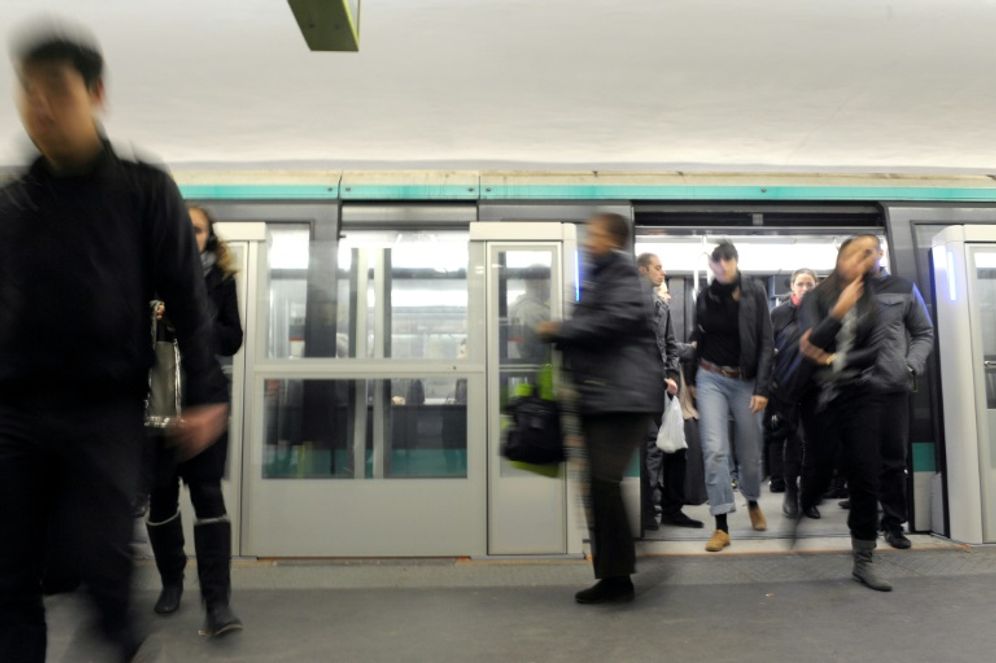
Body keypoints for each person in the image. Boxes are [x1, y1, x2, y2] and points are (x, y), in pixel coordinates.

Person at [0, 23, 228, 662]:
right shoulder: (13, 204)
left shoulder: (142, 191)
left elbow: (188, 300)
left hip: (104, 408)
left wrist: (204, 394)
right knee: (11, 571)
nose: (38, 107)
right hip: (16, 409)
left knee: (101, 560)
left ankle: (124, 644)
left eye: (55, 91)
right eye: (27, 92)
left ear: (94, 92)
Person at [536, 213, 664, 604]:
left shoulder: (623, 277)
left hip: (622, 398)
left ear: (612, 240)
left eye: (594, 235)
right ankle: (614, 574)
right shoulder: (601, 278)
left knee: (604, 483)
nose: (587, 242)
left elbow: (615, 321)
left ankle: (617, 578)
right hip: (606, 396)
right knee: (597, 485)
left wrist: (560, 330)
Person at [146, 206, 244, 636]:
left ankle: (217, 603)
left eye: (198, 229)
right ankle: (171, 581)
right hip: (156, 399)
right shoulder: (144, 276)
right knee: (161, 496)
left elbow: (233, 338)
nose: (189, 235)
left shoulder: (219, 281)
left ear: (209, 238)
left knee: (207, 495)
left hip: (204, 398)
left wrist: (195, 317)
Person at [796, 235, 893, 591]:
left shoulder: (873, 303)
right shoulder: (815, 297)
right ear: (840, 257)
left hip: (861, 392)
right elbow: (811, 344)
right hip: (820, 394)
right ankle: (807, 499)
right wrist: (837, 313)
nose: (862, 260)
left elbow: (873, 352)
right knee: (822, 467)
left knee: (866, 472)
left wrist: (835, 359)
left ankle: (864, 557)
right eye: (856, 253)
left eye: (869, 254)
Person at [691, 241, 774, 552]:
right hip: (710, 376)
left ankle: (752, 498)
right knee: (715, 450)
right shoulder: (705, 295)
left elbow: (766, 342)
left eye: (729, 260)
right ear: (712, 265)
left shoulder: (755, 292)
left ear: (736, 262)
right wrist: (689, 378)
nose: (723, 266)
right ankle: (721, 525)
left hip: (746, 381)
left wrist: (763, 388)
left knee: (750, 452)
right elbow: (698, 336)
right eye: (718, 261)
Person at [867, 245, 934, 549]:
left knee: (893, 459)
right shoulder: (840, 289)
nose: (864, 258)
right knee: (858, 460)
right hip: (854, 389)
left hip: (892, 387)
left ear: (880, 252)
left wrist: (910, 365)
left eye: (869, 252)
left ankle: (893, 523)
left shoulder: (903, 288)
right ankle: (863, 525)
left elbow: (924, 332)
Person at [636, 252, 703, 529]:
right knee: (653, 449)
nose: (662, 273)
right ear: (643, 271)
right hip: (643, 387)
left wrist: (672, 374)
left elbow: (670, 345)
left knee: (676, 448)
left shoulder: (661, 306)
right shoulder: (635, 305)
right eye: (658, 268)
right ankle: (650, 511)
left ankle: (671, 508)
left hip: (665, 388)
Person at [767, 268, 817, 518]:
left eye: (810, 284)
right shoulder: (778, 314)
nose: (805, 289)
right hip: (785, 388)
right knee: (794, 442)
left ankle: (809, 495)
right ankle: (791, 494)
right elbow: (767, 352)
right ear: (792, 287)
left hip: (815, 386)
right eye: (801, 284)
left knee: (813, 444)